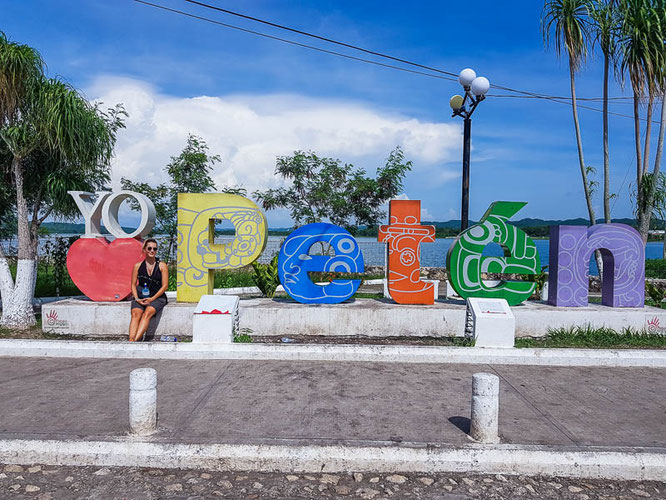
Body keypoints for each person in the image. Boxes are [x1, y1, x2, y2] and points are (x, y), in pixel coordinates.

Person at [129, 238, 168, 342]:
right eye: (149, 248)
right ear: (144, 250)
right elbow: (133, 284)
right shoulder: (137, 266)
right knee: (135, 314)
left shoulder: (162, 265)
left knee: (147, 313)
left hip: (157, 297)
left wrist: (152, 299)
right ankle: (131, 340)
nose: (152, 251)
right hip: (141, 296)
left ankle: (135, 341)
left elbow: (165, 286)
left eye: (154, 249)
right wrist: (137, 298)